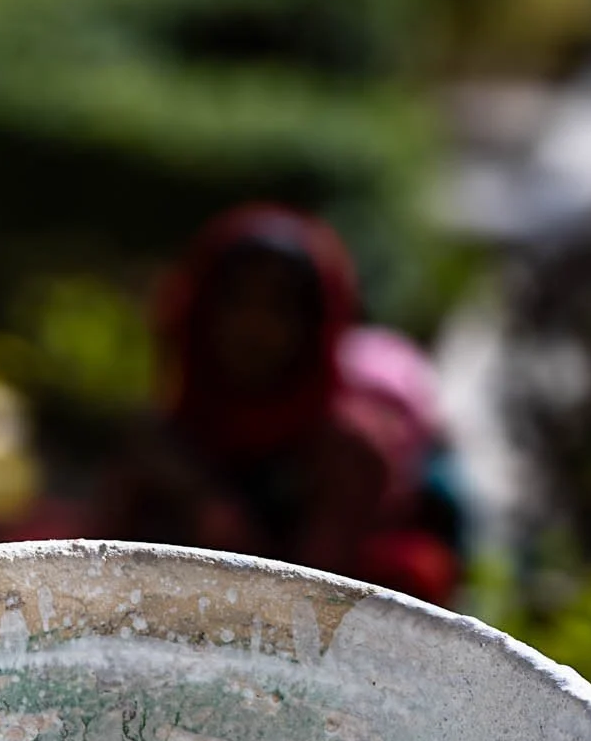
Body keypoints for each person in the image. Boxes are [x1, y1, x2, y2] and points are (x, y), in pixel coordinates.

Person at [95, 204, 463, 603]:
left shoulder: (347, 452)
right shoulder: (159, 441)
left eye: (279, 306)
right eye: (237, 301)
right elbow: (100, 574)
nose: (255, 325)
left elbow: (312, 599)